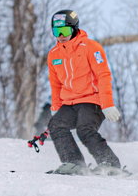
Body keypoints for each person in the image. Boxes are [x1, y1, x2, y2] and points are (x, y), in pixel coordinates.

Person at [44, 9, 126, 176]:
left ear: (74, 29)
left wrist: (107, 104)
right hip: (69, 103)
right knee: (56, 126)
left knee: (85, 129)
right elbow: (56, 84)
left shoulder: (91, 48)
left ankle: (110, 164)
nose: (60, 35)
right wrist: (56, 106)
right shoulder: (54, 55)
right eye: (56, 31)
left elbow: (103, 75)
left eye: (64, 30)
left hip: (92, 101)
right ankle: (74, 164)